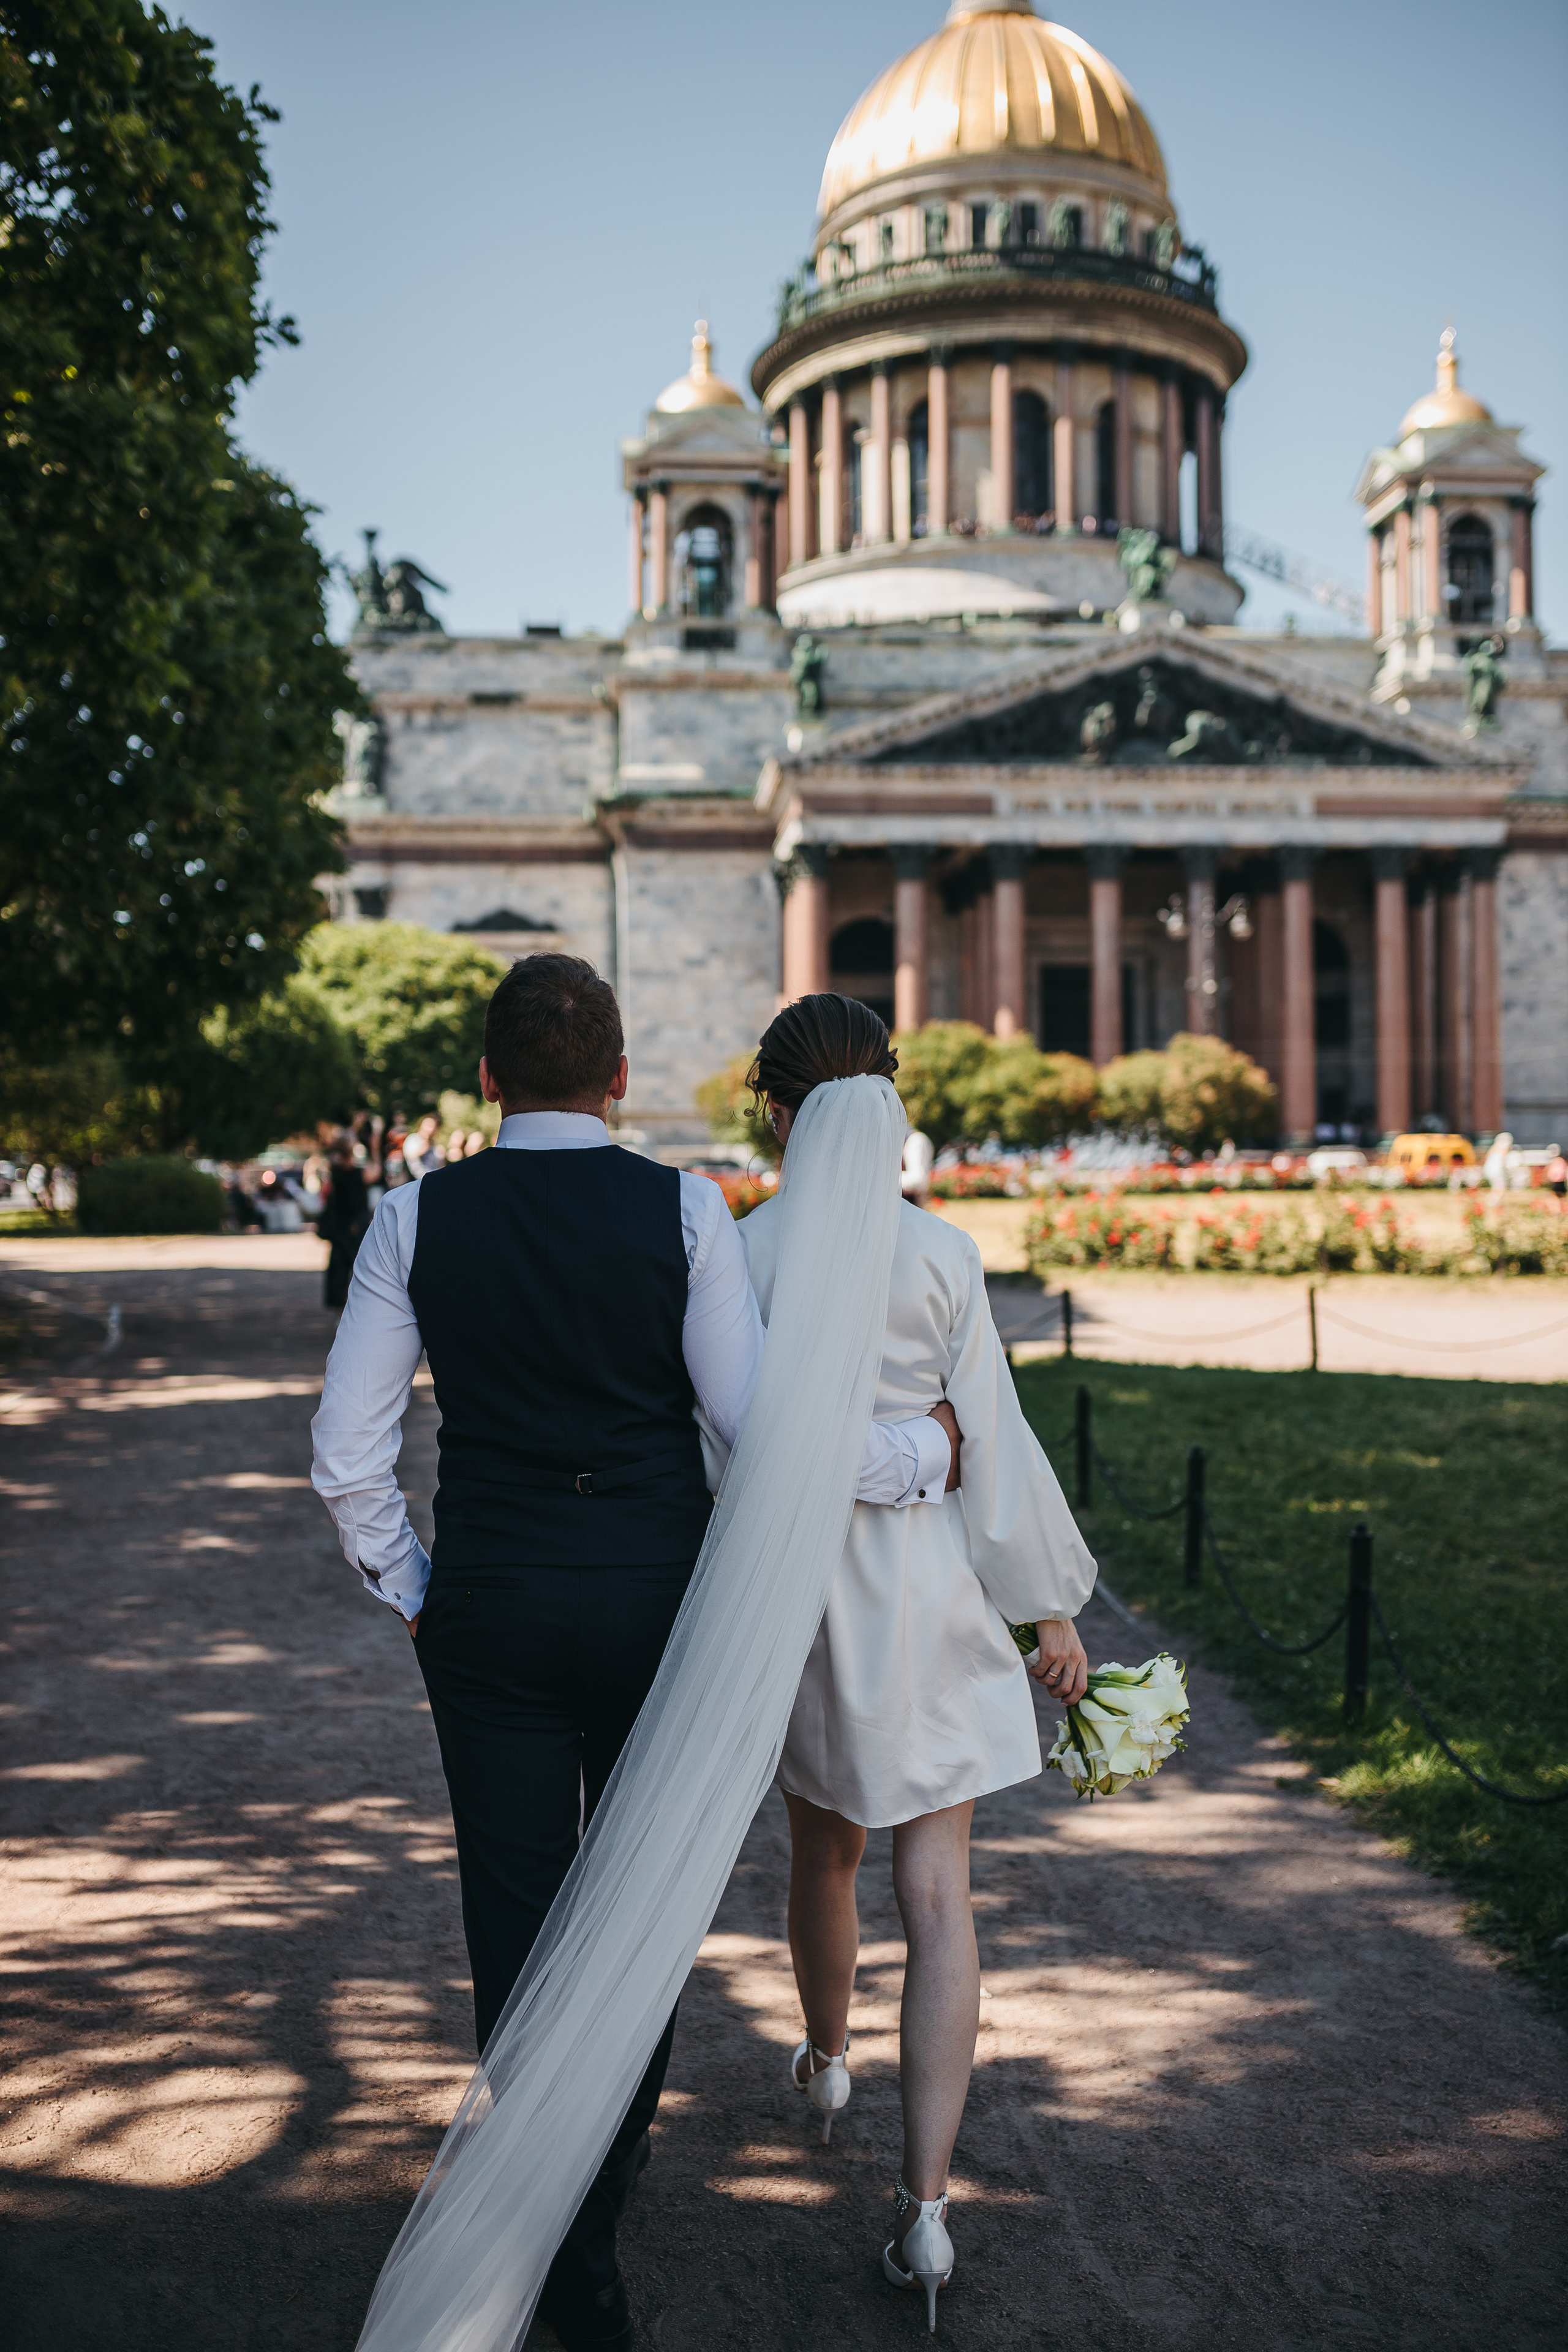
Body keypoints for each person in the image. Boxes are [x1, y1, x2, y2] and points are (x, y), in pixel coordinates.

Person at [311, 956, 956, 2352]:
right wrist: (922, 1454)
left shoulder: (414, 1217)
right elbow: (753, 1418)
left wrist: (419, 1587)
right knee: (642, 1907)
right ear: (618, 1081)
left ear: (485, 1080)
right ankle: (591, 2205)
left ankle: (558, 2226)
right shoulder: (680, 1206)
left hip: (488, 1607)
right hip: (658, 1604)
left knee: (515, 1910)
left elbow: (346, 1456)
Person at [739, 995, 1096, 2328]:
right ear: (886, 1100)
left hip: (796, 1603)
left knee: (818, 1853)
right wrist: (1046, 1610)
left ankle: (825, 2061)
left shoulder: (739, 1252)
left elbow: (724, 1445)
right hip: (931, 1594)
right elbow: (992, 1442)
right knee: (938, 1896)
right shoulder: (940, 1253)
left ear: (773, 1113)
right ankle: (927, 2211)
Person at [318, 1134, 374, 1309]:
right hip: (356, 1227)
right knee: (360, 1267)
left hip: (340, 1227)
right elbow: (377, 1169)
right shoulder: (360, 1173)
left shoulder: (335, 1171)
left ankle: (340, 1310)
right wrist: (375, 1143)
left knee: (339, 1270)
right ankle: (359, 1307)